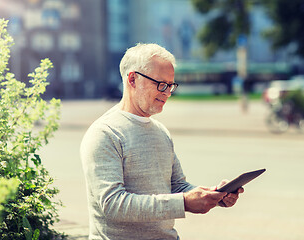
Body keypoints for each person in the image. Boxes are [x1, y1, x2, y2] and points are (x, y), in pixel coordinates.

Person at [80, 43, 243, 240]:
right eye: (161, 84)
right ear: (133, 79)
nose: (167, 92)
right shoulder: (104, 133)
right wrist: (183, 202)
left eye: (171, 85)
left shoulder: (161, 132)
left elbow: (177, 186)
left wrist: (214, 196)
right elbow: (113, 204)